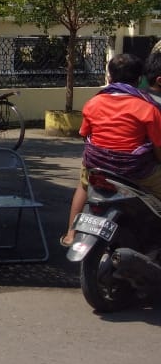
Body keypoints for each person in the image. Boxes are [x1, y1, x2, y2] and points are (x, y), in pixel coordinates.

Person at [61, 53, 161, 247]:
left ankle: (71, 234)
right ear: (139, 79)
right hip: (135, 172)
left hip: (97, 167)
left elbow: (85, 134)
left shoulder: (93, 103)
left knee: (83, 186)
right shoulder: (148, 108)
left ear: (109, 77)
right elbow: (157, 148)